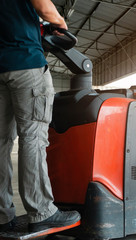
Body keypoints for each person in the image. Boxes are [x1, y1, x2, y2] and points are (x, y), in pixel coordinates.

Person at [0, 0, 80, 232]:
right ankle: (41, 211)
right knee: (33, 138)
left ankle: (2, 215)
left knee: (2, 143)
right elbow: (45, 8)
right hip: (26, 63)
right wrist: (60, 24)